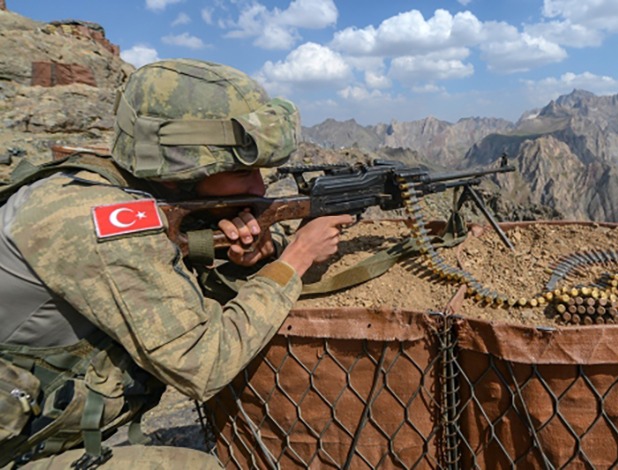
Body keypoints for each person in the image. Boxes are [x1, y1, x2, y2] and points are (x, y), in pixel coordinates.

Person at [0, 58, 353, 468]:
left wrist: (257, 252)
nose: (258, 186)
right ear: (178, 170)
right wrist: (296, 258)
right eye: (240, 172)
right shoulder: (97, 220)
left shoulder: (116, 182)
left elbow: (167, 259)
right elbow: (203, 364)